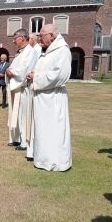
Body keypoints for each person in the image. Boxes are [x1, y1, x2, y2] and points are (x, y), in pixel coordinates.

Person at [27, 23, 72, 171]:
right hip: (43, 98)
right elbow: (44, 69)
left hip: (53, 99)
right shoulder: (49, 51)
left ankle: (55, 162)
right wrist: (33, 74)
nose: (39, 38)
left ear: (51, 36)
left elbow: (59, 75)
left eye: (42, 35)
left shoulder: (62, 51)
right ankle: (42, 159)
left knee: (54, 131)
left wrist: (36, 78)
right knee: (43, 130)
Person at [6, 29, 39, 150]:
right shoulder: (20, 53)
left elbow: (25, 70)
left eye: (15, 38)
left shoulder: (31, 52)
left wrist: (12, 72)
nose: (13, 41)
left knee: (24, 115)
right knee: (16, 114)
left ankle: (24, 142)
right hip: (17, 88)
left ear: (22, 38)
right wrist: (9, 70)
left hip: (24, 89)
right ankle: (17, 138)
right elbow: (14, 66)